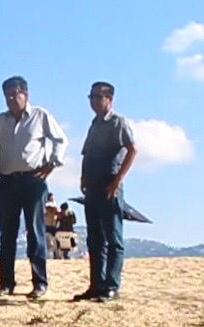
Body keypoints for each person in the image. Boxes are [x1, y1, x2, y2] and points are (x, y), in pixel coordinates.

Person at [0, 76, 68, 299]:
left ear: (25, 94)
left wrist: (52, 162)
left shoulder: (40, 116)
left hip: (33, 181)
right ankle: (6, 283)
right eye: (7, 95)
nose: (11, 99)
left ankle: (39, 282)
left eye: (15, 94)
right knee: (7, 234)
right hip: (7, 182)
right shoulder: (0, 121)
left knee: (36, 232)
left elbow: (60, 140)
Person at [74, 81, 138, 302]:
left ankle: (111, 285)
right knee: (95, 239)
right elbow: (86, 153)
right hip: (91, 186)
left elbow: (133, 149)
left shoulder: (118, 122)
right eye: (91, 96)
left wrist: (118, 180)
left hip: (109, 185)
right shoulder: (94, 124)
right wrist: (83, 176)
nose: (93, 101)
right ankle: (96, 284)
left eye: (97, 97)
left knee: (113, 238)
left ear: (109, 99)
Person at [44, 193, 59, 259]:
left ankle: (55, 254)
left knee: (53, 240)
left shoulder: (54, 205)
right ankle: (51, 254)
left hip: (53, 225)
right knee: (49, 240)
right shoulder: (46, 205)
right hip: (48, 225)